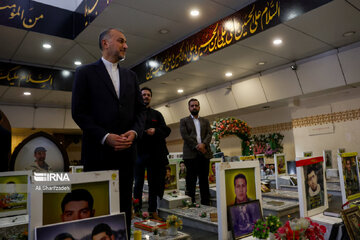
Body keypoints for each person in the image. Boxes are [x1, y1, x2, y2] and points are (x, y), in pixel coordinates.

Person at [71, 28, 146, 237]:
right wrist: (105, 137)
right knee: (97, 207)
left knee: (123, 208)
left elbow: (141, 111)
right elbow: (79, 113)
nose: (126, 46)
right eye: (121, 41)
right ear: (105, 43)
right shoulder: (84, 73)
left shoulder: (131, 76)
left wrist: (134, 131)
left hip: (126, 156)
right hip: (98, 154)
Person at [133, 87, 171, 220]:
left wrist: (155, 131)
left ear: (151, 97)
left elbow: (166, 130)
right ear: (139, 96)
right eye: (143, 94)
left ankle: (152, 211)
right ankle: (136, 210)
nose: (146, 97)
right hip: (138, 154)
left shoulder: (157, 114)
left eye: (148, 95)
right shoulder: (133, 113)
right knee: (137, 183)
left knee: (153, 184)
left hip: (154, 155)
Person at [180, 98, 213, 205]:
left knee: (204, 179)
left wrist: (203, 144)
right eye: (192, 106)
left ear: (199, 107)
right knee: (191, 180)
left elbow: (209, 134)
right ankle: (191, 202)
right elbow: (185, 136)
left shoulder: (205, 121)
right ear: (189, 108)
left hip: (204, 153)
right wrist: (197, 146)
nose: (194, 107)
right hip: (190, 155)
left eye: (196, 105)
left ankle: (205, 202)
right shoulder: (184, 121)